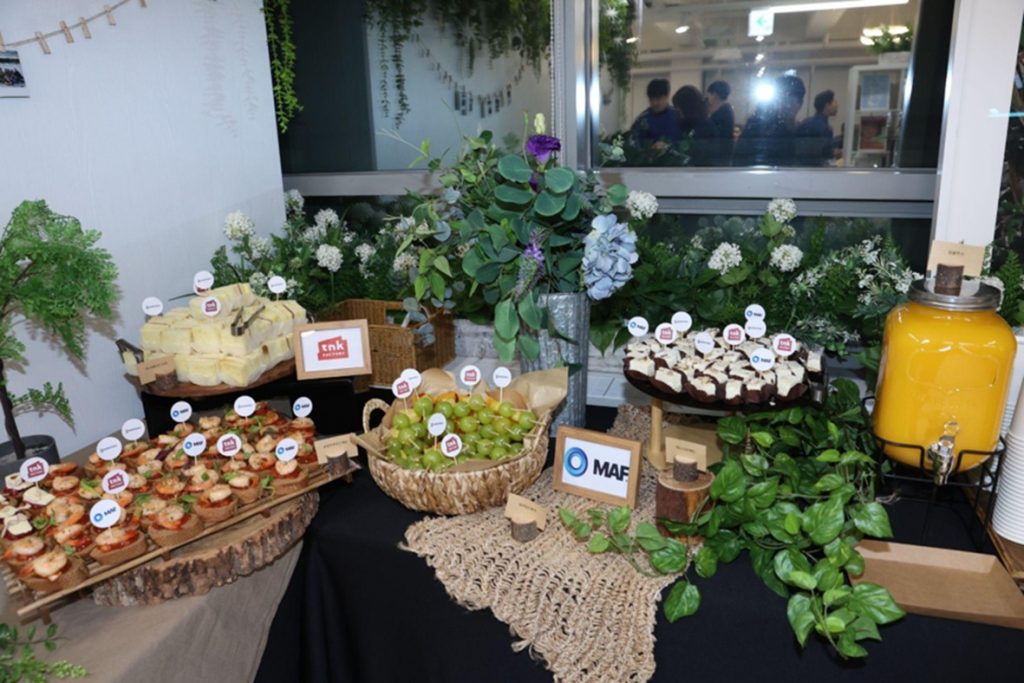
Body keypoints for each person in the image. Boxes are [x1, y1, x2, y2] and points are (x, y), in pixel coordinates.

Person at [733, 74, 807, 167]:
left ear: (800, 104)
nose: (783, 105)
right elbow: (739, 160)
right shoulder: (758, 127)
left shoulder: (803, 131)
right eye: (779, 99)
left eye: (789, 101)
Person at [671, 86, 718, 166]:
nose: (677, 109)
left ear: (687, 106)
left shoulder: (705, 127)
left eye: (678, 106)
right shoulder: (684, 123)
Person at [630, 79, 681, 150]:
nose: (655, 103)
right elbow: (633, 143)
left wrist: (669, 147)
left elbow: (686, 142)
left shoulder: (678, 116)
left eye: (658, 98)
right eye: (651, 99)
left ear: (667, 96)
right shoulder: (642, 119)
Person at [796, 89, 838, 166]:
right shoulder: (825, 129)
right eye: (834, 101)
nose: (837, 104)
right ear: (827, 105)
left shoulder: (806, 122)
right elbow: (826, 157)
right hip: (815, 169)